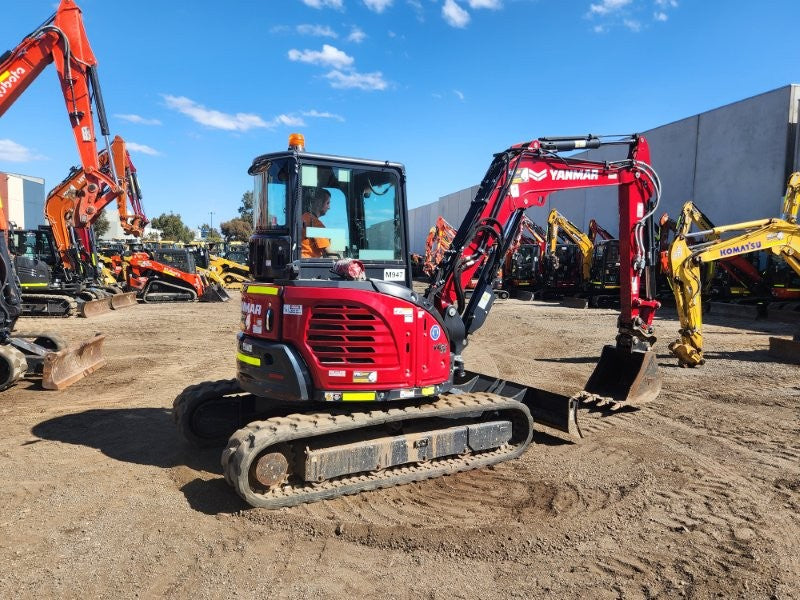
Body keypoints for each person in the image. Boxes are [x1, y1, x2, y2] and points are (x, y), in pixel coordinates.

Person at [301, 187, 334, 258]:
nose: (329, 207)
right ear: (318, 203)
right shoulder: (315, 223)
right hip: (310, 265)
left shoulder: (303, 218)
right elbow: (330, 254)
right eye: (327, 203)